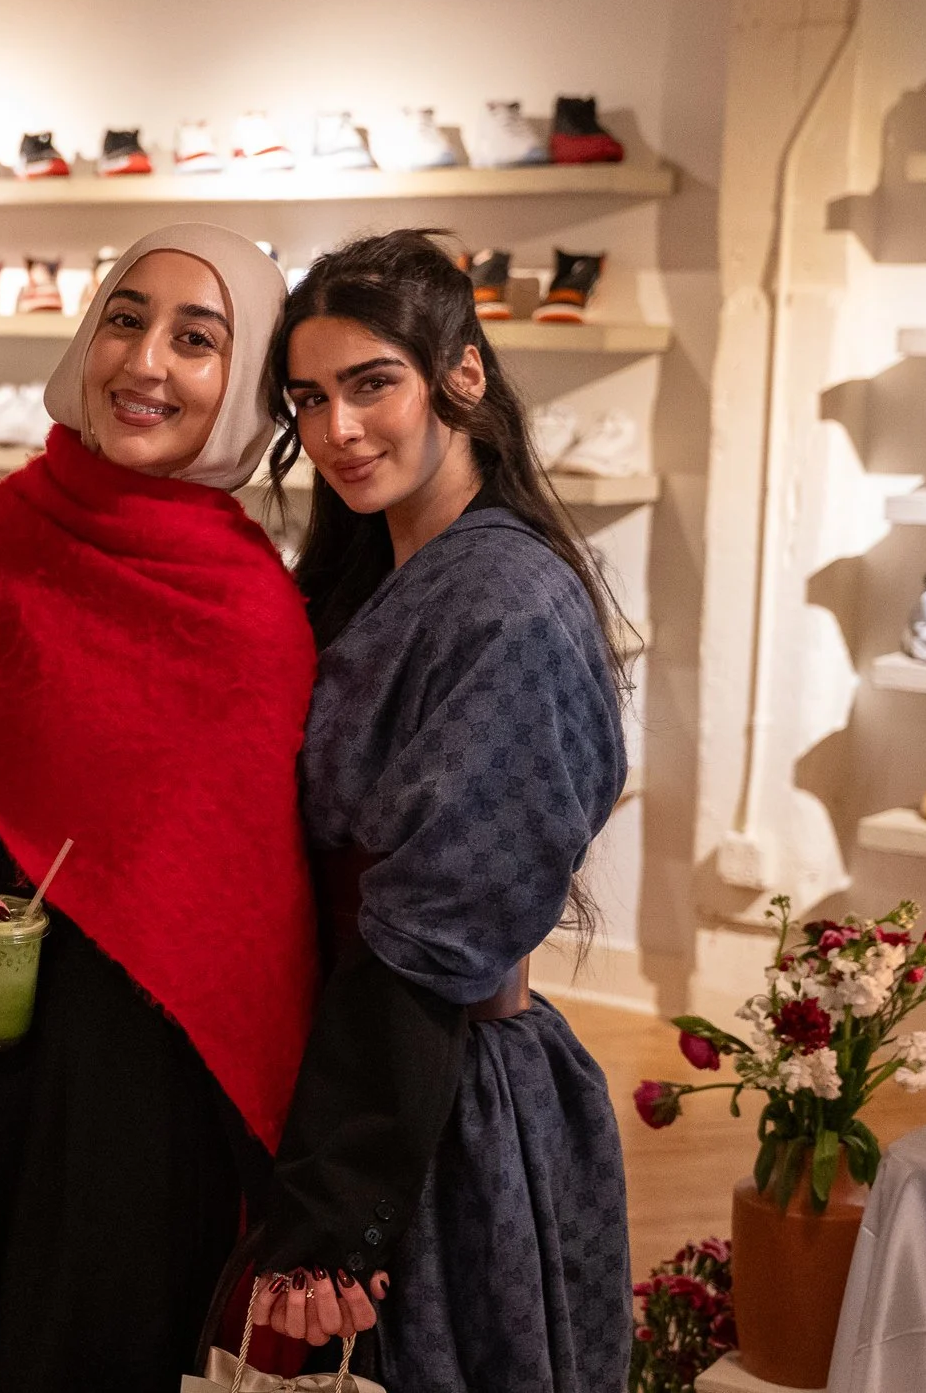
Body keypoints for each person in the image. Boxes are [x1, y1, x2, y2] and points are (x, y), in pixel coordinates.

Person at [0, 223, 323, 1391]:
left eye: (196, 340)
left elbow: (245, 915)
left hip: (132, 1106)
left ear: (249, 379)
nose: (145, 362)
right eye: (126, 318)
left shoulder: (250, 612)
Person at [248, 228, 631, 1393]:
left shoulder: (506, 604)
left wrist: (334, 1213)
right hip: (347, 1060)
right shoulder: (373, 574)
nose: (337, 432)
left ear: (460, 374)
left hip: (426, 1101)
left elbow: (432, 932)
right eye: (307, 400)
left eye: (371, 385)